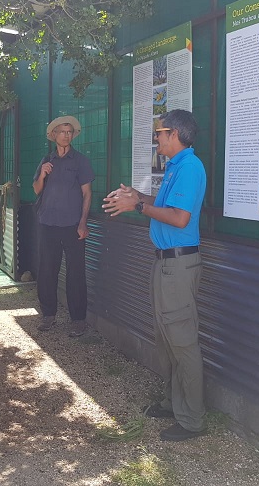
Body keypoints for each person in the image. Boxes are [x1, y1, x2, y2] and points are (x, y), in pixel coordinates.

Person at [102, 109, 207, 442]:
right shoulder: (176, 167)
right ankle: (172, 403)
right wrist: (138, 197)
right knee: (167, 338)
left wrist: (138, 206)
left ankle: (192, 419)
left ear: (174, 134)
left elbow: (178, 218)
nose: (156, 138)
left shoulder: (190, 167)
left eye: (160, 133)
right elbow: (162, 208)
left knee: (182, 341)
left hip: (177, 266)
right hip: (165, 264)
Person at [33, 116, 94, 338]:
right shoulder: (46, 160)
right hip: (47, 223)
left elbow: (87, 194)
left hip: (73, 225)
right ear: (54, 135)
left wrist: (83, 223)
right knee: (47, 271)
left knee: (76, 273)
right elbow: (37, 190)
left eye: (70, 132)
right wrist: (42, 174)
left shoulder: (80, 161)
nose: (66, 135)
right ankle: (48, 315)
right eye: (62, 131)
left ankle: (78, 320)